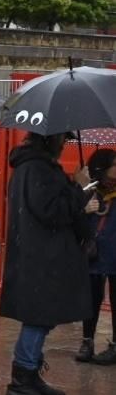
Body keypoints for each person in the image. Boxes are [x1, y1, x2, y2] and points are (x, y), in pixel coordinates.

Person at [0, 132, 85, 395]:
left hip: (39, 254)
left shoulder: (33, 166)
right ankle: (21, 383)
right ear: (49, 139)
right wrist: (79, 187)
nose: (65, 144)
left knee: (41, 317)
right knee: (38, 319)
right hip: (41, 256)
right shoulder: (37, 168)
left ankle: (30, 375)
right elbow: (52, 211)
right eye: (62, 139)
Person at [78, 149, 116, 364]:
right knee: (92, 299)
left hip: (114, 252)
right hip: (95, 253)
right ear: (102, 169)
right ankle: (87, 341)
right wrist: (84, 209)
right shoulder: (89, 191)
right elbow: (71, 220)